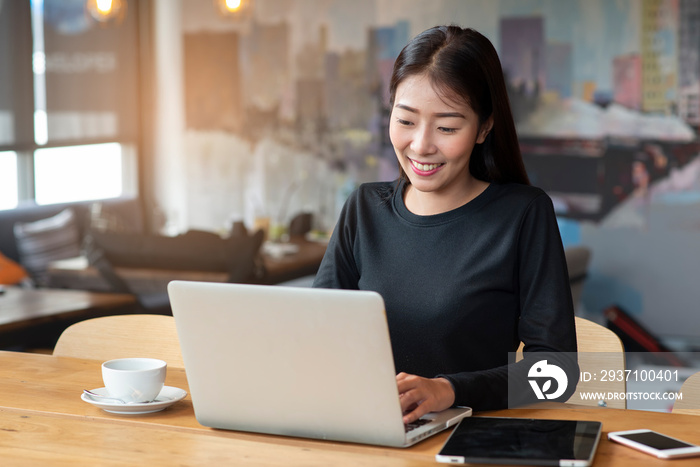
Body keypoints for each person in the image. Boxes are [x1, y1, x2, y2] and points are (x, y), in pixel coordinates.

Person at [313, 25, 578, 424]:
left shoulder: (523, 215)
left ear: (484, 128)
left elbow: (557, 375)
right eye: (405, 121)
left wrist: (448, 390)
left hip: (472, 437)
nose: (421, 145)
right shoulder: (364, 208)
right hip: (367, 432)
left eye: (447, 127)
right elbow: (315, 335)